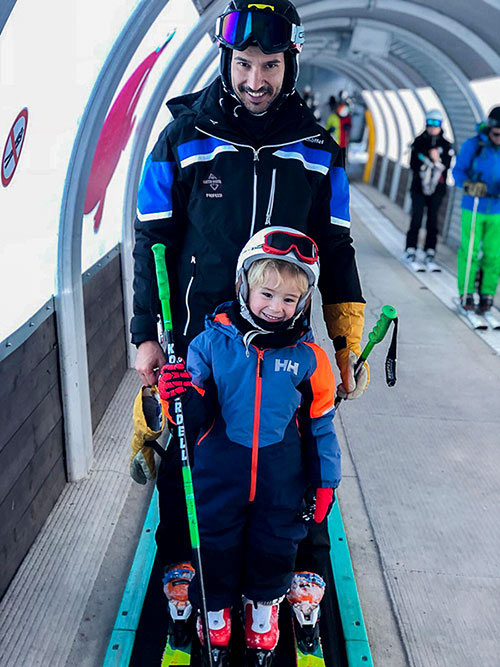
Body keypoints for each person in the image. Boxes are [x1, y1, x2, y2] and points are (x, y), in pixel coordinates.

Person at [129, 0, 368, 651]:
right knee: (190, 458)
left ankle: (286, 577)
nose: (255, 79)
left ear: (289, 62)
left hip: (283, 341)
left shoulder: (319, 152)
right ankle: (187, 577)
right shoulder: (182, 138)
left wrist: (346, 338)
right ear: (226, 60)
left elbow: (339, 249)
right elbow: (150, 235)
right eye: (243, 63)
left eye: (268, 64)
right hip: (196, 340)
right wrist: (145, 332)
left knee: (283, 458)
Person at [158, 228, 340, 665]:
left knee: (275, 544)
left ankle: (262, 610)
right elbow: (190, 419)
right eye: (267, 294)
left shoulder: (310, 358)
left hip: (281, 475)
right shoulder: (209, 345)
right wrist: (176, 395)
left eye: (290, 300)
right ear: (243, 287)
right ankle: (216, 608)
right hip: (221, 472)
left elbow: (321, 426)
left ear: (304, 302)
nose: (277, 308)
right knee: (215, 542)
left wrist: (325, 482)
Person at [452, 106, 500, 311]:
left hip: (497, 208)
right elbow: (458, 172)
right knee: (470, 250)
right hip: (474, 206)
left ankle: (487, 293)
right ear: (489, 130)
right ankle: (466, 292)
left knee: (493, 253)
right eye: (497, 134)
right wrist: (469, 186)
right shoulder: (475, 145)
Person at [404, 109, 454, 270]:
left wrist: (437, 159)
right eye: (430, 123)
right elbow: (412, 164)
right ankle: (411, 248)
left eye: (436, 124)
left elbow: (447, 165)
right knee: (417, 217)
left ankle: (430, 249)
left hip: (437, 189)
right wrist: (426, 161)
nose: (433, 127)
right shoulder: (419, 142)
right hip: (419, 187)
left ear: (441, 125)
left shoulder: (446, 145)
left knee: (433, 219)